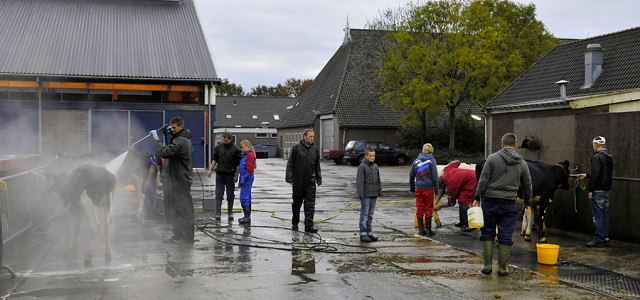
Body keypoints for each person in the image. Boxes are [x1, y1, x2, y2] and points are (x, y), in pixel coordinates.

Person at [473, 133, 532, 276]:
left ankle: (487, 266)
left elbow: (483, 180)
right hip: (509, 203)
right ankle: (502, 268)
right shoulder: (522, 162)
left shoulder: (492, 159)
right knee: (506, 234)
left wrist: (477, 197)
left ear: (502, 144)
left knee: (487, 232)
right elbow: (527, 184)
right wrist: (527, 202)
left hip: (490, 202)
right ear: (516, 145)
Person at [150, 117, 195, 243]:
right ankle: (178, 234)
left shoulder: (181, 141)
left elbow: (165, 152)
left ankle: (187, 237)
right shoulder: (180, 138)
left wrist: (156, 139)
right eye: (172, 128)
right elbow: (173, 144)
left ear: (181, 126)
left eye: (174, 128)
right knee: (175, 208)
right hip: (176, 178)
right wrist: (168, 133)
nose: (172, 130)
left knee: (183, 208)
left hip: (181, 179)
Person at [578, 136, 613, 247]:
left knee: (597, 216)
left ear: (596, 145)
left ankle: (598, 239)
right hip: (607, 190)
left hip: (597, 190)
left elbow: (596, 174)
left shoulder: (597, 157)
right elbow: (602, 173)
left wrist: (591, 190)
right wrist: (587, 175)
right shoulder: (608, 157)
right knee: (605, 215)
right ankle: (606, 237)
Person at [285, 129, 322, 233]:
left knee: (310, 204)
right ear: (305, 137)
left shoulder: (315, 149)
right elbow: (290, 163)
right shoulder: (296, 148)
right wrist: (290, 178)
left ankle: (309, 225)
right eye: (310, 136)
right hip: (298, 181)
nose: (312, 138)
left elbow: (317, 165)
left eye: (313, 137)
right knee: (297, 203)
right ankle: (295, 223)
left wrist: (318, 178)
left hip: (310, 181)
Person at [433, 160, 476, 231]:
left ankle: (470, 225)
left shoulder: (450, 186)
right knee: (461, 201)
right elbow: (457, 161)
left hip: (471, 182)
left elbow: (451, 203)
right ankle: (462, 222)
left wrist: (440, 206)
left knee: (463, 202)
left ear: (442, 186)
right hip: (470, 176)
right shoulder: (447, 169)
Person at [207, 132, 242, 221]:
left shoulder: (236, 149)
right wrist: (210, 169)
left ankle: (230, 213)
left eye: (226, 140)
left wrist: (236, 175)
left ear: (230, 139)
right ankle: (218, 213)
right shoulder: (218, 148)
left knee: (230, 194)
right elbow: (215, 159)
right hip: (220, 174)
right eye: (223, 139)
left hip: (230, 175)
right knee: (218, 193)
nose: (224, 141)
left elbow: (238, 164)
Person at [409, 143, 439, 236]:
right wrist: (437, 190)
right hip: (428, 189)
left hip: (419, 188)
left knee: (419, 208)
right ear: (431, 151)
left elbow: (411, 175)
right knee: (428, 208)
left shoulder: (416, 161)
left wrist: (412, 188)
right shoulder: (432, 161)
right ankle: (429, 230)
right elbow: (434, 177)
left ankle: (421, 230)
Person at [356, 148, 382, 242]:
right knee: (364, 215)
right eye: (370, 155)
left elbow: (378, 181)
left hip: (373, 195)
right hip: (366, 195)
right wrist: (361, 194)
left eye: (373, 156)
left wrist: (379, 191)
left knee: (370, 215)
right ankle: (363, 233)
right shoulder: (362, 167)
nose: (372, 157)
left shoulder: (375, 166)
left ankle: (369, 232)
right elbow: (360, 182)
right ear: (365, 156)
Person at [237, 140, 256, 224]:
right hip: (244, 178)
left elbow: (250, 170)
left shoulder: (250, 155)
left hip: (247, 179)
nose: (241, 149)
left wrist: (243, 180)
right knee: (246, 197)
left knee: (245, 197)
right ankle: (246, 216)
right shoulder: (246, 155)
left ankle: (247, 217)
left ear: (247, 146)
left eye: (242, 147)